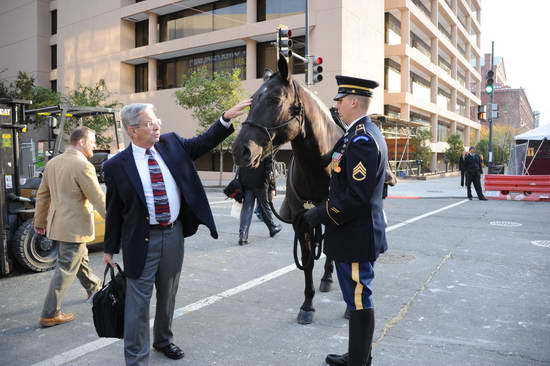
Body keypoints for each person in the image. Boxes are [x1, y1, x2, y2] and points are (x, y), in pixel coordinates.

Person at [102, 100, 250, 366]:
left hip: (173, 233)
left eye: (156, 120)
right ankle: (136, 359)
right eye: (150, 123)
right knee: (137, 302)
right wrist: (109, 248)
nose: (157, 126)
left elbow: (204, 142)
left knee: (168, 292)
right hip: (140, 240)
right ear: (133, 130)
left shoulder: (172, 144)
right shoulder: (116, 166)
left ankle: (163, 339)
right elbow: (114, 210)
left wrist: (225, 118)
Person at [299, 76, 388, 366]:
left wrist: (319, 214)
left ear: (353, 102)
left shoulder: (362, 139)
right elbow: (333, 165)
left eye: (340, 100)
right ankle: (357, 354)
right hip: (352, 236)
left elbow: (355, 197)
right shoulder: (354, 134)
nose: (336, 105)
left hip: (355, 237)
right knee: (354, 299)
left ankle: (360, 362)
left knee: (360, 300)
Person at [35, 126, 106, 328]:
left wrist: (40, 222)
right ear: (81, 142)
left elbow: (42, 195)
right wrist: (118, 222)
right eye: (92, 141)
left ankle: (94, 287)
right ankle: (50, 314)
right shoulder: (82, 165)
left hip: (58, 224)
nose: (94, 145)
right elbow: (98, 198)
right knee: (66, 267)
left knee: (79, 257)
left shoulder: (53, 163)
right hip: (74, 227)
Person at [237, 155, 281, 245]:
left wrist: (241, 183)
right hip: (260, 183)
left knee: (246, 209)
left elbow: (240, 167)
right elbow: (270, 171)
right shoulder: (264, 147)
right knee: (265, 208)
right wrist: (272, 187)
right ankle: (272, 228)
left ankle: (243, 237)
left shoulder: (245, 146)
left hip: (247, 183)